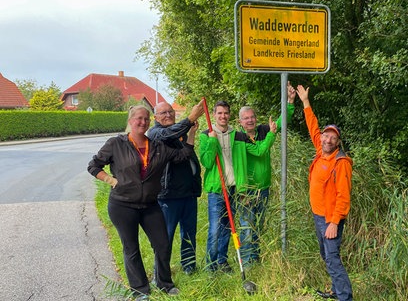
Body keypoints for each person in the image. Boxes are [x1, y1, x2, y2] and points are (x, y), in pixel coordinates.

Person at [87, 103, 204, 300]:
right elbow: (94, 165)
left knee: (162, 244)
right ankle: (140, 290)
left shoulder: (157, 146)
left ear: (150, 122)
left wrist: (191, 134)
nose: (142, 122)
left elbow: (183, 155)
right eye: (138, 118)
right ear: (131, 121)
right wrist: (110, 180)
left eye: (145, 118)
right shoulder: (116, 144)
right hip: (122, 205)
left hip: (150, 205)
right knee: (131, 248)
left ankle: (164, 284)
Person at [199, 100, 277, 272]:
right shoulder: (206, 135)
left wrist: (271, 133)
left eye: (226, 113)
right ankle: (211, 267)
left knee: (228, 228)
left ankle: (222, 261)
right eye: (219, 113)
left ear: (230, 115)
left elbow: (258, 151)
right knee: (214, 230)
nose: (223, 116)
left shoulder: (239, 136)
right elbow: (206, 162)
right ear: (214, 115)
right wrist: (212, 142)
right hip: (217, 190)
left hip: (235, 190)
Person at [296, 84, 354, 301]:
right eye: (325, 136)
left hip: (330, 219)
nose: (327, 140)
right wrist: (305, 103)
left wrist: (334, 222)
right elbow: (313, 127)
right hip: (318, 215)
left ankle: (345, 297)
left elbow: (343, 196)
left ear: (338, 142)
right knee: (326, 255)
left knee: (332, 258)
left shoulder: (341, 163)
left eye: (332, 138)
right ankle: (335, 290)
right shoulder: (322, 152)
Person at [237, 83, 296, 266]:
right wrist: (271, 134)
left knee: (258, 226)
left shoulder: (264, 130)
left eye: (252, 117)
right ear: (240, 122)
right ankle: (247, 262)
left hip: (263, 189)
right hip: (247, 191)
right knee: (247, 227)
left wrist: (290, 102)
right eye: (246, 118)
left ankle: (255, 258)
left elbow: (281, 122)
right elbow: (260, 151)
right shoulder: (239, 138)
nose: (250, 120)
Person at [146, 102, 203, 275]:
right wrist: (191, 117)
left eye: (170, 111)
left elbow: (187, 153)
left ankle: (189, 266)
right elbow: (168, 134)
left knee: (189, 234)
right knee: (165, 237)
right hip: (168, 197)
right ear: (155, 117)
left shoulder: (179, 134)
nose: (168, 115)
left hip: (188, 194)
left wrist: (191, 133)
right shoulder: (156, 133)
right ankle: (161, 273)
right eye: (163, 113)